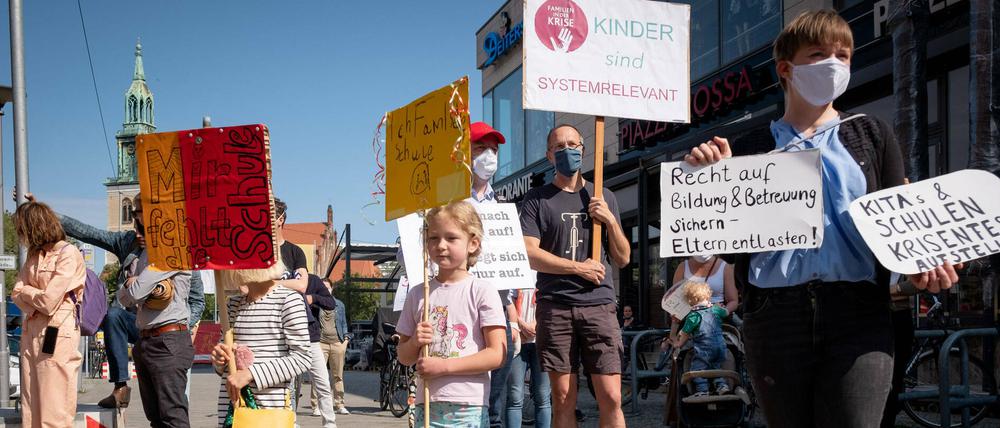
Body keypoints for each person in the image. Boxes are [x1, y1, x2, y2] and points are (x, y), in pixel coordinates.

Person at [684, 10, 962, 427]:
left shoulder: (872, 134)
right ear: (785, 68)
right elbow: (730, 248)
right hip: (775, 317)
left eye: (843, 55)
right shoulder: (750, 146)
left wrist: (922, 266)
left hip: (858, 314)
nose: (833, 63)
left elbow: (899, 227)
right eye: (818, 54)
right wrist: (711, 181)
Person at [24, 191, 204, 410]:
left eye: (143, 220)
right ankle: (120, 387)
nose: (138, 228)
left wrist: (186, 327)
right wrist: (45, 214)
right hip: (138, 324)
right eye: (136, 219)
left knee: (171, 406)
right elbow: (87, 232)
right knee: (114, 315)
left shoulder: (178, 249)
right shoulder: (127, 242)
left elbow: (197, 300)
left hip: (170, 331)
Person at [520, 124, 631, 428]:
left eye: (572, 144)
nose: (567, 150)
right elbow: (530, 254)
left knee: (611, 397)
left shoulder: (602, 195)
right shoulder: (536, 199)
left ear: (583, 149)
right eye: (559, 146)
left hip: (599, 306)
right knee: (563, 398)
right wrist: (579, 268)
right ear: (549, 155)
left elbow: (623, 258)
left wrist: (609, 221)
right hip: (556, 306)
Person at [396, 201, 507, 427]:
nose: (441, 245)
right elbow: (404, 357)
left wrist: (444, 367)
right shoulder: (418, 294)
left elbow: (497, 354)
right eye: (433, 238)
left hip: (469, 407)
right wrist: (415, 341)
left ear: (473, 243)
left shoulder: (482, 291)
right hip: (426, 404)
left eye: (451, 238)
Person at [116, 209, 197, 428]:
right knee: (156, 418)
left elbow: (134, 294)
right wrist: (132, 285)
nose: (137, 231)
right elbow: (124, 298)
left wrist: (134, 284)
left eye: (140, 215)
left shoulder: (171, 251)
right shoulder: (144, 254)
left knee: (173, 417)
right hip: (148, 340)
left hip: (167, 340)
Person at [212, 255, 312, 428]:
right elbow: (225, 364)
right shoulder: (233, 305)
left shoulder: (289, 300)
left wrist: (250, 374)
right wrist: (219, 360)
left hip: (271, 411)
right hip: (233, 411)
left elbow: (302, 358)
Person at [11, 201, 86, 427]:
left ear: (35, 226)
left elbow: (48, 302)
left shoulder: (68, 253)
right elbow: (15, 293)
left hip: (57, 330)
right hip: (31, 331)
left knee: (54, 407)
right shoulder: (34, 255)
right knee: (31, 407)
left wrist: (28, 291)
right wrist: (34, 296)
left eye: (23, 229)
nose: (22, 236)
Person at [467, 121, 521, 428]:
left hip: (497, 313)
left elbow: (509, 267)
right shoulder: (448, 201)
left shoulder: (502, 206)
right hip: (461, 309)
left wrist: (511, 317)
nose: (488, 156)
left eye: (494, 150)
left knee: (494, 408)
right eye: (480, 148)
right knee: (465, 401)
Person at [272, 198, 338, 427]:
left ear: (280, 219)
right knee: (286, 383)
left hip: (305, 330)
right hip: (275, 329)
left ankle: (329, 422)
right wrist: (284, 284)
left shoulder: (294, 251)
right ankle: (290, 421)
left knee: (321, 379)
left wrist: (270, 283)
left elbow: (301, 285)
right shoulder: (261, 252)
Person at [672, 282, 730, 398]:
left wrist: (678, 343)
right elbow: (726, 313)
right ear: (707, 296)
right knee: (716, 367)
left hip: (704, 350)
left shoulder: (693, 316)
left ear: (690, 300)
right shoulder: (715, 309)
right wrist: (721, 307)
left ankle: (702, 390)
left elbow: (685, 334)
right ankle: (722, 386)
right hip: (721, 347)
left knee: (697, 369)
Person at [506, 287, 551, 428]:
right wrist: (521, 325)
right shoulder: (512, 274)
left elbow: (550, 301)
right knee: (514, 396)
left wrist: (536, 324)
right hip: (518, 339)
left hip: (542, 339)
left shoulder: (547, 274)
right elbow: (507, 300)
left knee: (543, 396)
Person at [667, 254, 737, 345]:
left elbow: (733, 301)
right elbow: (676, 300)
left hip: (718, 322)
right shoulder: (682, 267)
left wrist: (722, 311)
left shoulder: (725, 267)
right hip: (688, 318)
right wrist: (675, 318)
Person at [317, 278, 351, 414]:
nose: (326, 290)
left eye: (328, 287)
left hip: (337, 342)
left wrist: (346, 340)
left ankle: (339, 404)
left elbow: (344, 323)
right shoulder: (316, 304)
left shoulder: (339, 305)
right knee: (319, 375)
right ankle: (316, 405)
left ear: (332, 289)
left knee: (338, 376)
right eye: (323, 287)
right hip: (320, 343)